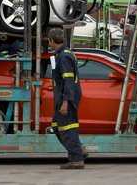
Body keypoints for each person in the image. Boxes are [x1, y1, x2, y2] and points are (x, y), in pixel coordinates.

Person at [47, 28, 86, 169]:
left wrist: (65, 102)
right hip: (64, 97)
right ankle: (78, 151)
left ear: (51, 40)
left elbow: (69, 80)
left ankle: (76, 159)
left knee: (68, 127)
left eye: (48, 40)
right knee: (57, 126)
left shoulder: (64, 56)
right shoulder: (63, 54)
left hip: (67, 98)